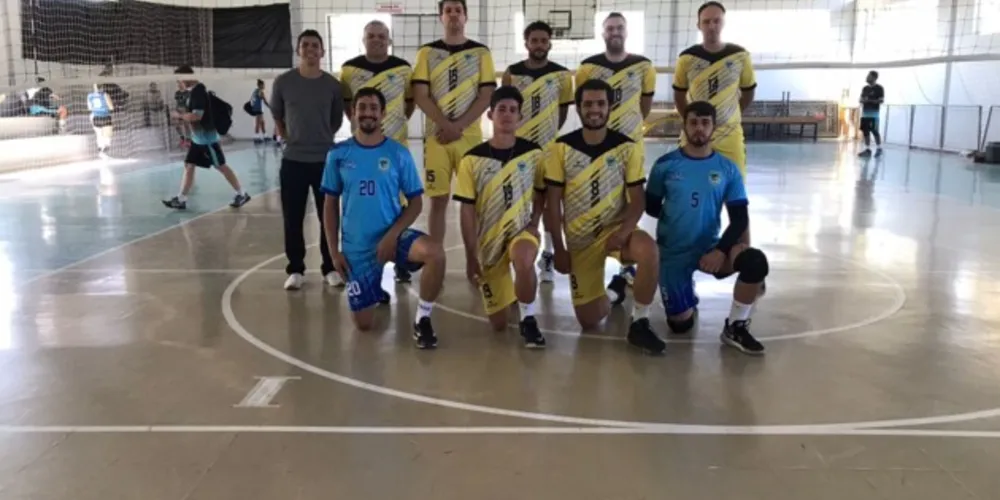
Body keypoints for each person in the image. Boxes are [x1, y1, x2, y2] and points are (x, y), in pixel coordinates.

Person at [544, 79, 665, 354]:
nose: (594, 109)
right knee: (588, 321)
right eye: (588, 104)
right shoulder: (560, 149)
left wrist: (622, 233)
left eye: (600, 103)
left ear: (610, 107)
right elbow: (553, 204)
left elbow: (638, 202)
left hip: (616, 232)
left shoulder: (627, 148)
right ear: (578, 108)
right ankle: (615, 291)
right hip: (580, 241)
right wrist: (559, 249)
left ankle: (640, 324)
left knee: (649, 250)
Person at [321, 88, 446, 349]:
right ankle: (375, 288)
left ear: (383, 113)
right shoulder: (338, 154)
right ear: (353, 113)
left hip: (394, 235)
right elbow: (330, 206)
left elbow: (416, 202)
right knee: (364, 325)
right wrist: (335, 254)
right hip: (358, 246)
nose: (368, 113)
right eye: (362, 107)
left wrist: (392, 235)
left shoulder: (397, 153)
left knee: (435, 253)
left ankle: (422, 318)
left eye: (373, 108)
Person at [646, 101, 767, 355]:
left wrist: (721, 250)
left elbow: (740, 219)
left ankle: (736, 325)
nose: (699, 129)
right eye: (693, 123)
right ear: (685, 126)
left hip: (710, 249)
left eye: (705, 123)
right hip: (673, 252)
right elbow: (652, 208)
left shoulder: (727, 169)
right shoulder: (665, 165)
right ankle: (685, 289)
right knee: (681, 325)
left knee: (755, 262)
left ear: (714, 127)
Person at [453, 86, 546, 348]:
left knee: (525, 257)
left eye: (513, 110)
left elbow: (541, 191)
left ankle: (529, 319)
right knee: (499, 324)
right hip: (490, 242)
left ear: (520, 117)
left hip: (521, 231)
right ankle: (512, 291)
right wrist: (471, 257)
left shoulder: (534, 153)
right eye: (501, 109)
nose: (507, 114)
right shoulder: (472, 160)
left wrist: (534, 222)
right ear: (490, 115)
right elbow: (467, 211)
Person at [575, 12, 656, 287]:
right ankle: (590, 257)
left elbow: (643, 107)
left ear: (626, 31)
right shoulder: (588, 68)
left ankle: (626, 268)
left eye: (619, 27)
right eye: (610, 28)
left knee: (631, 203)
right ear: (603, 33)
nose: (615, 32)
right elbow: (585, 106)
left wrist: (628, 132)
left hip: (630, 148)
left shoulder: (644, 66)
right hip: (597, 150)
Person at [412, 0, 497, 256]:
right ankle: (434, 257)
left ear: (465, 17)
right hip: (436, 138)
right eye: (448, 11)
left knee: (474, 201)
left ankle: (478, 258)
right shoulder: (426, 52)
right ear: (441, 17)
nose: (453, 15)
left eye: (458, 10)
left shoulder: (481, 52)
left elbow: (486, 96)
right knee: (438, 200)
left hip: (470, 138)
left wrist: (457, 126)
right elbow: (420, 94)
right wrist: (445, 125)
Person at [341, 19, 416, 284]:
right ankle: (366, 265)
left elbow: (409, 105)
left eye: (382, 36)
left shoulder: (404, 69)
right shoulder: (349, 70)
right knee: (368, 206)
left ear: (389, 40)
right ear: (364, 40)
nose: (376, 40)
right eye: (371, 35)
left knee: (401, 205)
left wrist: (392, 129)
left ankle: (401, 261)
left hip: (396, 150)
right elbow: (349, 106)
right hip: (363, 151)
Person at [271, 29, 345, 291]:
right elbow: (278, 116)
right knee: (293, 217)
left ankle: (330, 267)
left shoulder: (333, 85)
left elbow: (336, 120)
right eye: (306, 45)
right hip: (293, 161)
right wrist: (289, 139)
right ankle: (296, 269)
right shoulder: (283, 82)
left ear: (322, 52)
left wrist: (321, 137)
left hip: (325, 161)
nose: (311, 49)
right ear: (298, 50)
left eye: (315, 45)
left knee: (330, 217)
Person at [501, 20, 574, 284]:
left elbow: (562, 112)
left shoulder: (563, 76)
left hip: (547, 151)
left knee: (548, 205)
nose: (540, 45)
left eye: (544, 40)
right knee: (516, 202)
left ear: (550, 43)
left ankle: (549, 255)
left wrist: (547, 135)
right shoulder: (512, 73)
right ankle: (516, 253)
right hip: (517, 151)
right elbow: (506, 107)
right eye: (535, 40)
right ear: (526, 43)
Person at [162, 66, 251, 211]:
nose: (178, 83)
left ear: (187, 77)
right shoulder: (193, 93)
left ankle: (242, 193)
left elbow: (197, 116)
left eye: (179, 79)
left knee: (221, 166)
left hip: (207, 140)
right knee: (189, 165)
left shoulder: (198, 92)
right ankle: (181, 199)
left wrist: (179, 116)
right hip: (197, 140)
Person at [858, 70, 884, 158]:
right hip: (865, 113)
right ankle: (867, 150)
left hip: (874, 114)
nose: (866, 77)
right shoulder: (865, 88)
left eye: (868, 76)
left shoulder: (879, 88)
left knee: (874, 130)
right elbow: (861, 99)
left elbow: (881, 100)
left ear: (874, 78)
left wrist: (869, 101)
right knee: (865, 131)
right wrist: (862, 100)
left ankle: (879, 149)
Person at [86, 83, 114, 159]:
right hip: (105, 116)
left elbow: (89, 108)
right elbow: (111, 107)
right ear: (101, 88)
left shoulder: (90, 95)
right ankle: (104, 152)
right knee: (108, 137)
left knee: (99, 135)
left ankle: (100, 152)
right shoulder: (105, 95)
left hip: (95, 117)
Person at [247, 79, 270, 143]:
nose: (264, 86)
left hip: (258, 109)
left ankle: (265, 136)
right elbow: (265, 101)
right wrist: (270, 107)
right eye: (263, 85)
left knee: (262, 123)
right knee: (258, 123)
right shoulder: (260, 92)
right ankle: (256, 137)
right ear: (260, 85)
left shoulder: (255, 91)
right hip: (258, 109)